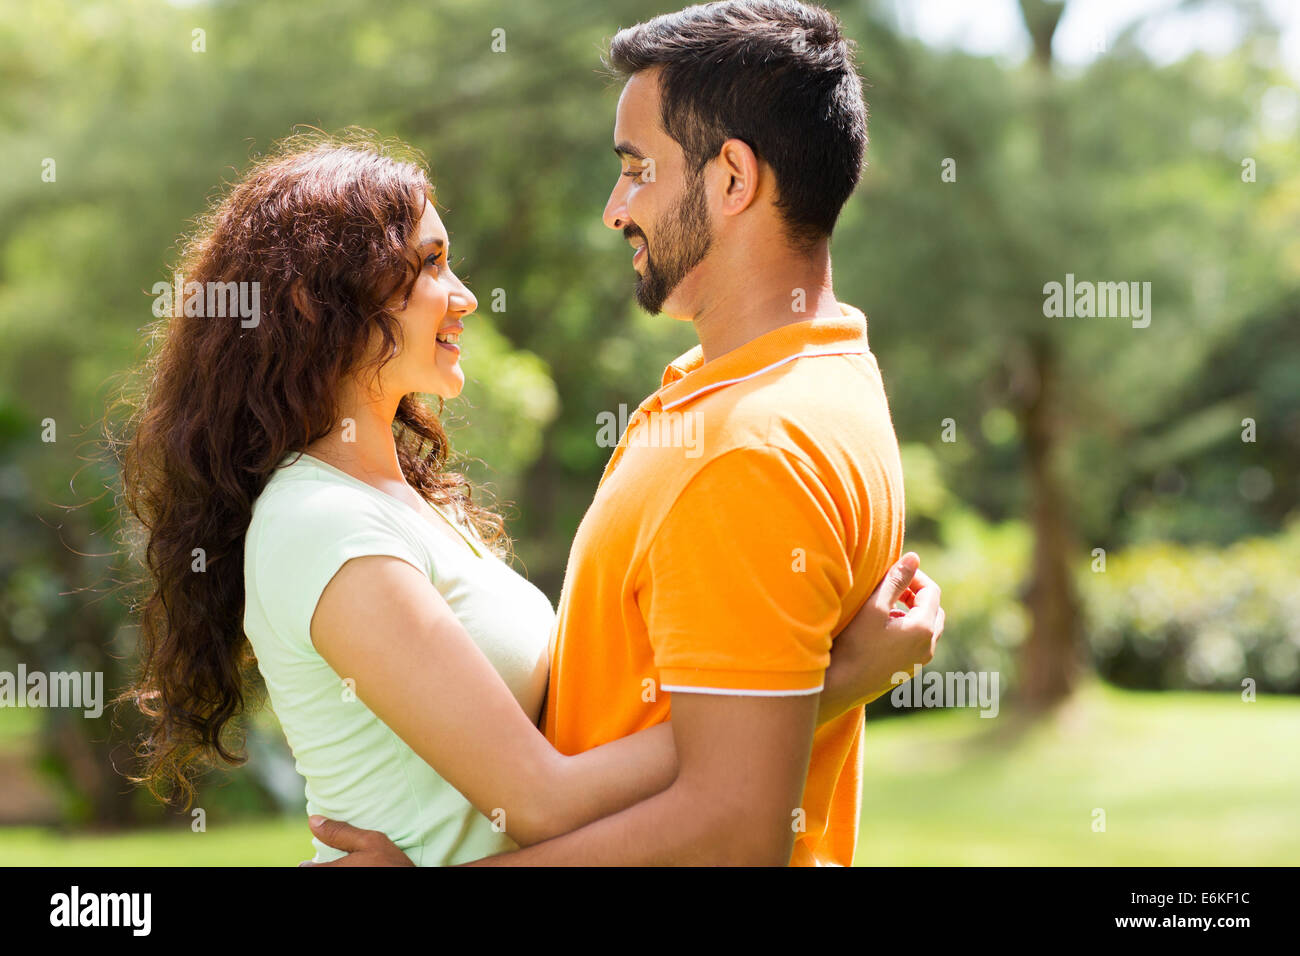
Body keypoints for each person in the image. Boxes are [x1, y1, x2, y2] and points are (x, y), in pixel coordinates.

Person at [119, 130, 941, 867]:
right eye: (432, 264)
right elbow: (539, 799)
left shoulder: (403, 502)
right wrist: (828, 685)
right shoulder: (321, 525)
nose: (466, 294)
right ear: (318, 303)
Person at [312, 0, 941, 867]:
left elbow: (728, 833)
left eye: (638, 168)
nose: (616, 208)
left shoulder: (747, 451)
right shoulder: (801, 378)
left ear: (731, 180)